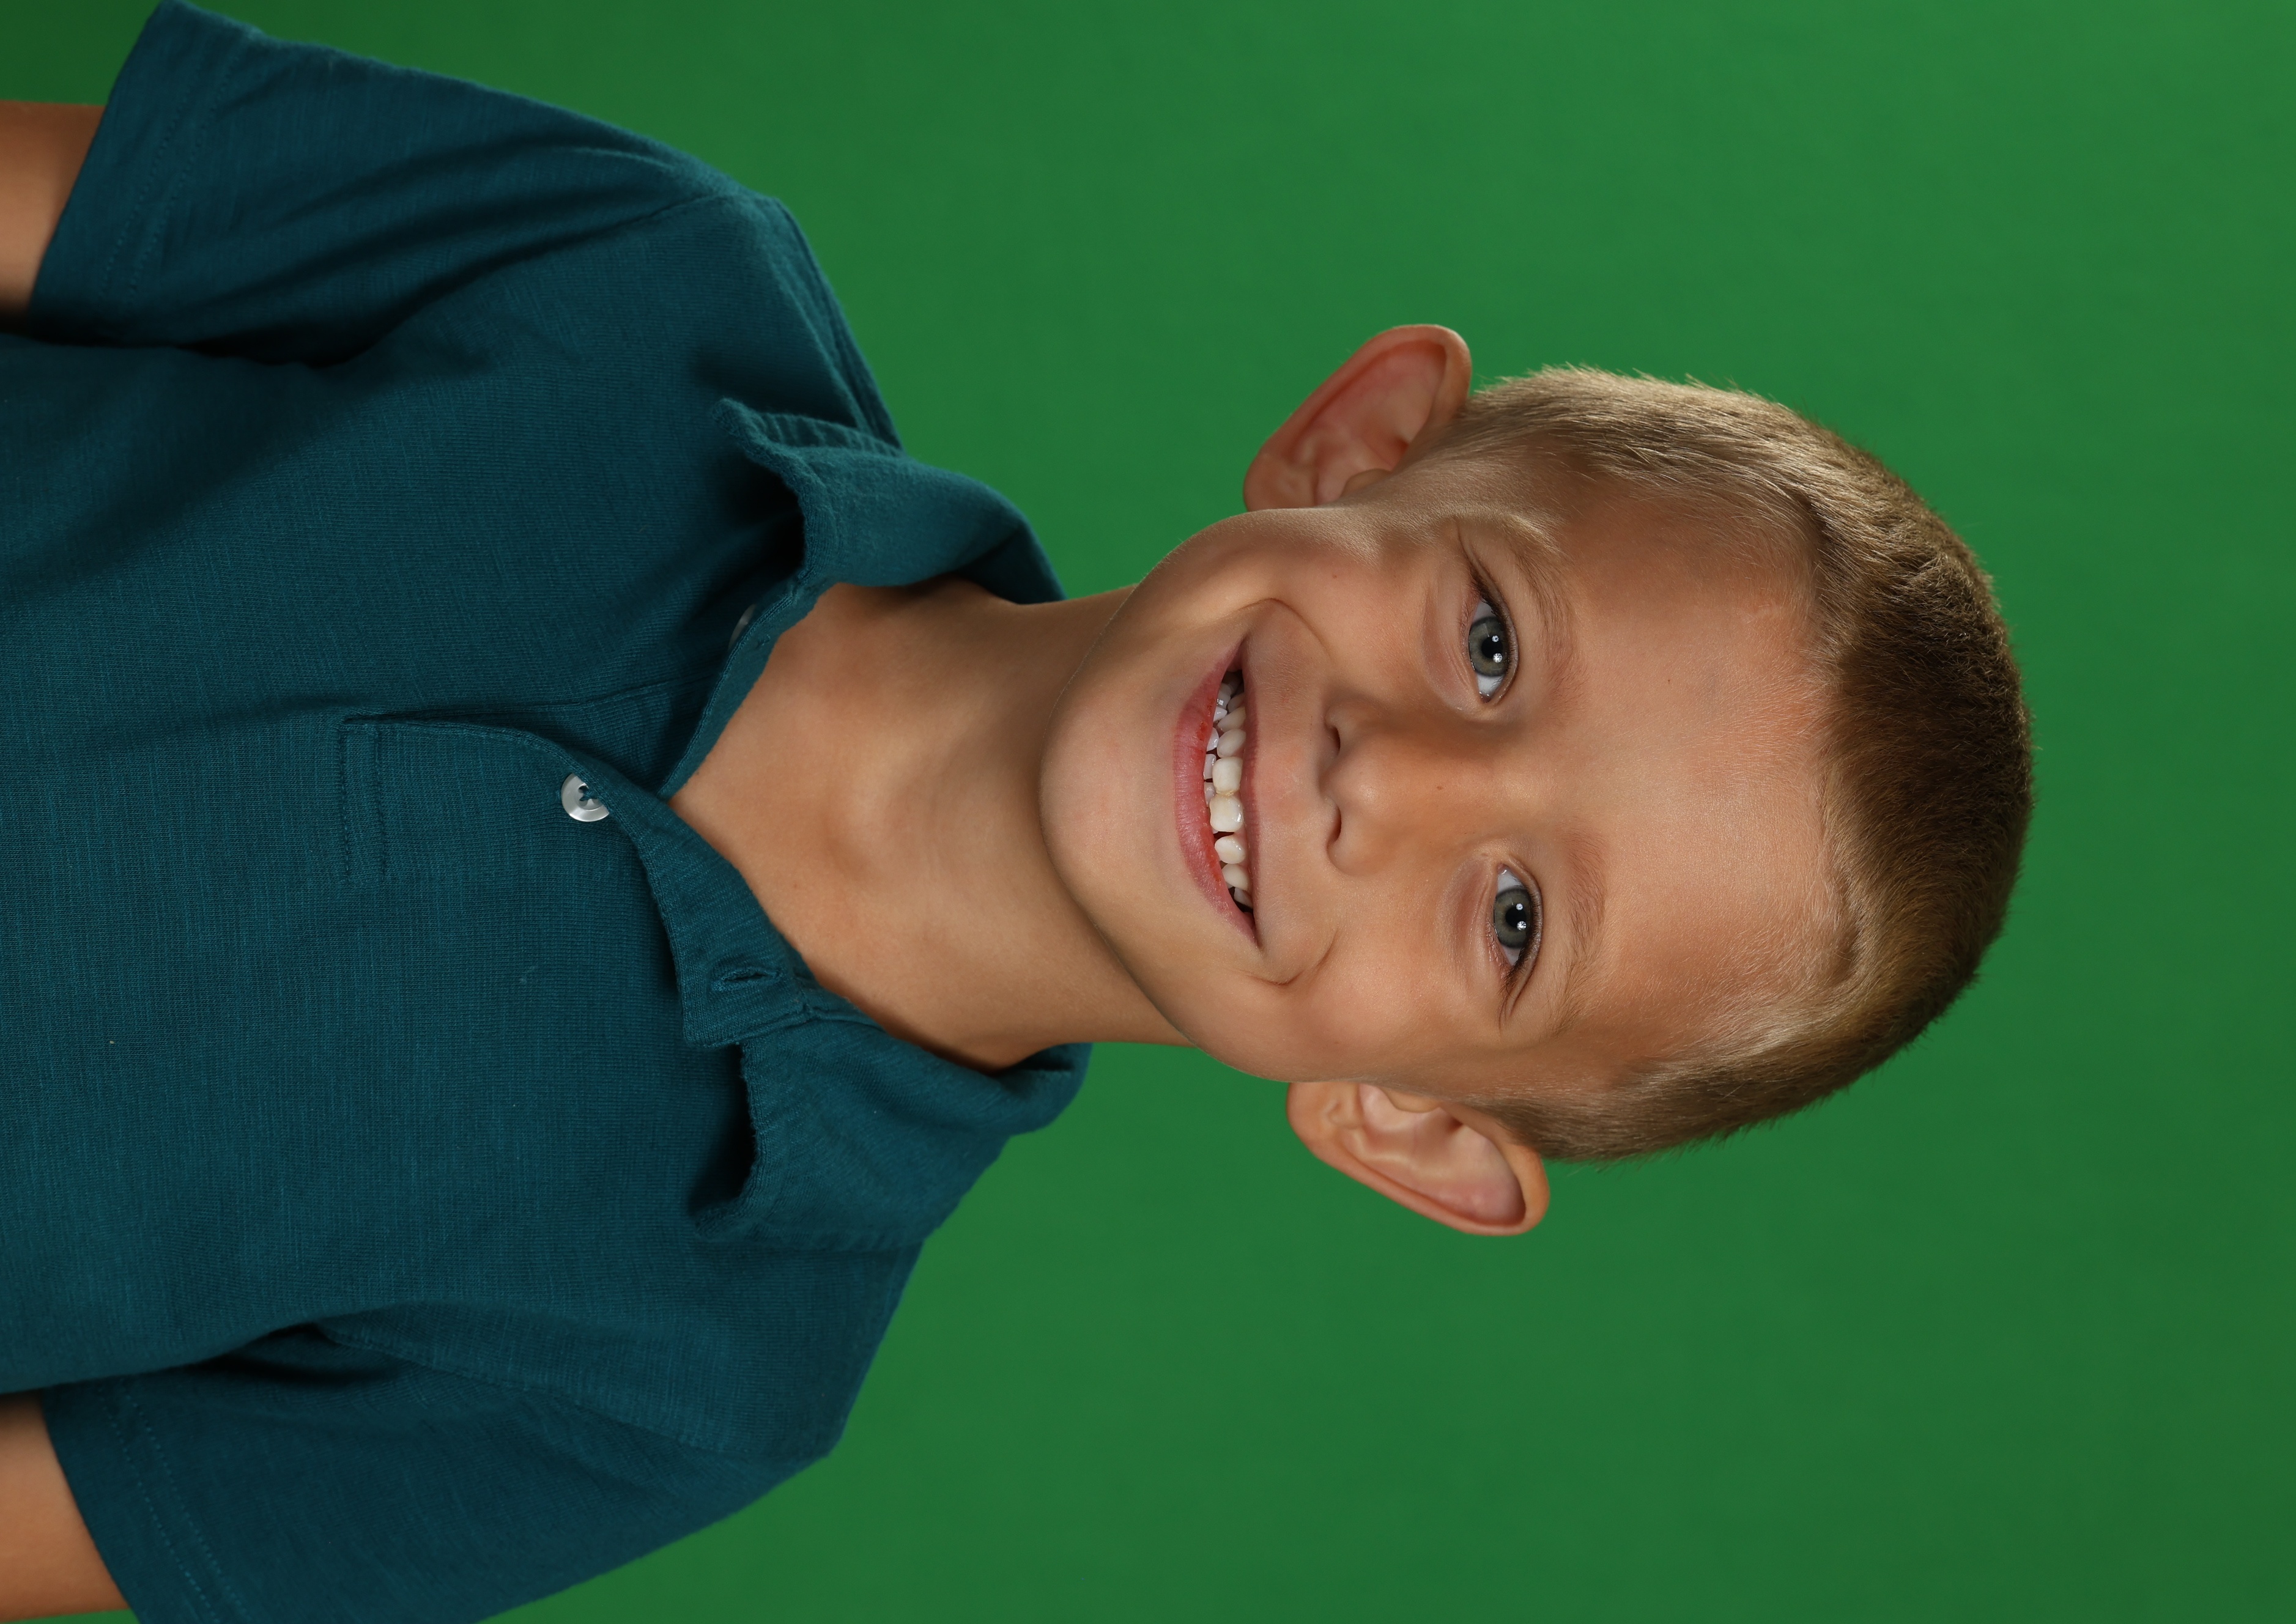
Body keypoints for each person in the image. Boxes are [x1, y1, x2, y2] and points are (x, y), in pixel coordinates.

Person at [0, 6, 2032, 1621]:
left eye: (1513, 920)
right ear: (1364, 446)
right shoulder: (645, 275)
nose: (1392, 778)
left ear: (1410, 1122)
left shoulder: (678, 1386)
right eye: (1491, 642)